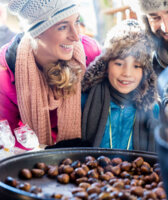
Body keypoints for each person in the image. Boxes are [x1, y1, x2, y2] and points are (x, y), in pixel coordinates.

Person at [0, 0, 101, 146]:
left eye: (76, 21)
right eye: (62, 27)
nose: (76, 36)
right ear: (37, 32)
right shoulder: (5, 74)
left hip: (86, 152)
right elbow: (6, 139)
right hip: (37, 157)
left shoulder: (90, 53)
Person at [81, 19, 158, 151]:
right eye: (119, 63)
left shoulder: (153, 110)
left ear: (145, 72)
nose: (127, 73)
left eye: (136, 66)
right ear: (106, 65)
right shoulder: (85, 101)